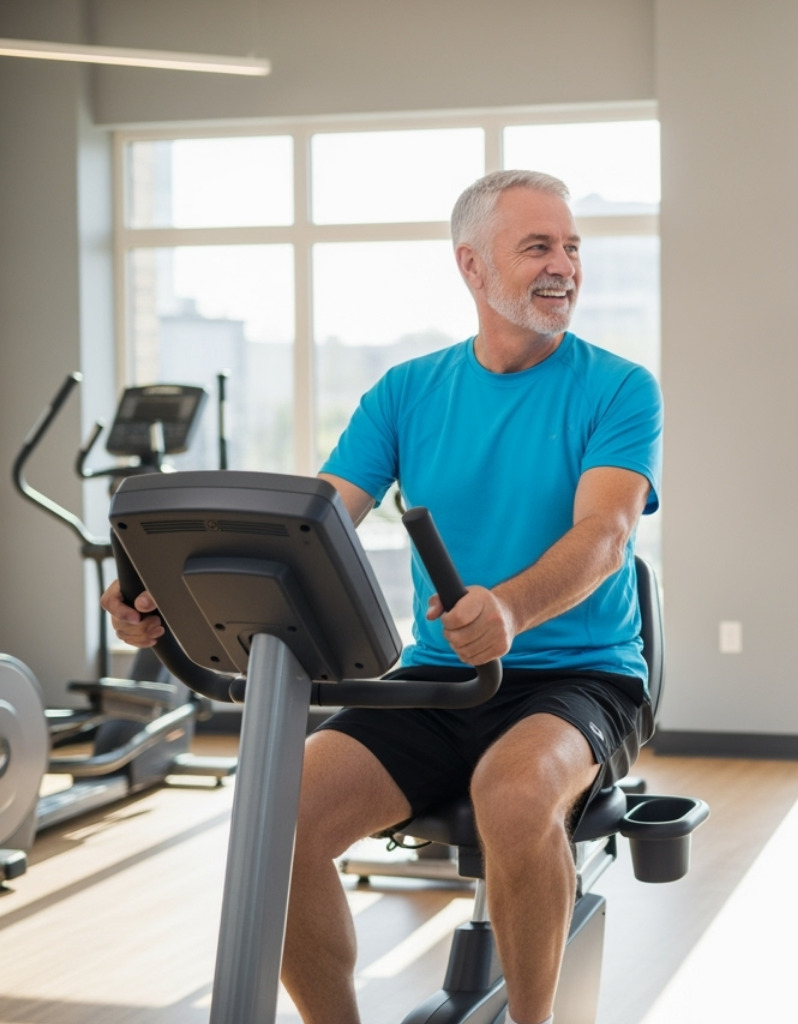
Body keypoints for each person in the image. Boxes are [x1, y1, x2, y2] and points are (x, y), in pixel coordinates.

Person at [102, 169, 662, 1024]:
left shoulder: (619, 387)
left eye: (573, 247)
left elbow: (606, 535)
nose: (564, 266)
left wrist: (508, 609)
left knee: (514, 796)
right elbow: (307, 530)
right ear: (472, 267)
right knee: (275, 816)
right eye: (538, 246)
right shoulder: (407, 392)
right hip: (438, 679)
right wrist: (169, 606)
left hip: (577, 675)